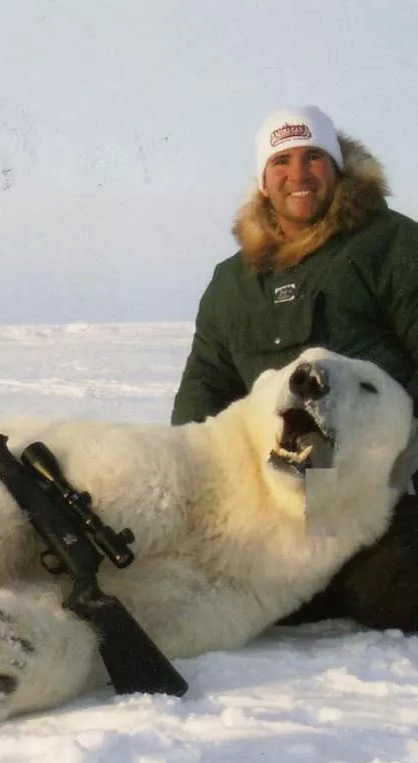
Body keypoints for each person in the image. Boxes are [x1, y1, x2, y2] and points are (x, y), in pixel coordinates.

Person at [172, 105, 418, 631]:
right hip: (271, 496)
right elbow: (204, 389)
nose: (299, 174)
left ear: (337, 168)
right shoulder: (231, 284)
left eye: (313, 158)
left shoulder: (391, 243)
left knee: (394, 592)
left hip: (376, 488)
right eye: (282, 162)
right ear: (264, 181)